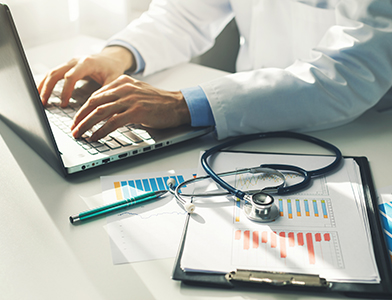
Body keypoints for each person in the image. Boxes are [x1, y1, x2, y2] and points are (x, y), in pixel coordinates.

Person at [38, 0, 392, 142]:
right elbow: (184, 14)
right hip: (245, 125)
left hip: (359, 134)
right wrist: (118, 56)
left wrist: (183, 105)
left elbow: (349, 72)